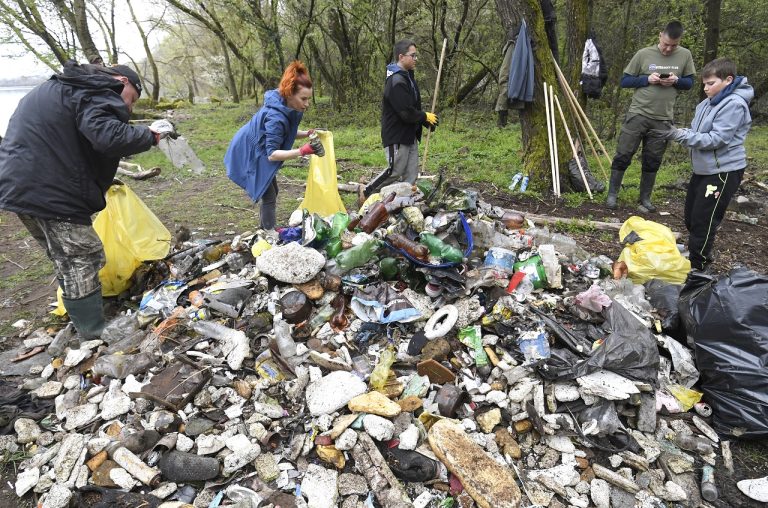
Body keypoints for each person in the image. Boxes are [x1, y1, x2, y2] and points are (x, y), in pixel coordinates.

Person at [0, 61, 174, 341]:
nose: (129, 108)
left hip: (18, 186)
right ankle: (92, 332)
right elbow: (108, 137)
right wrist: (150, 135)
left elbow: (71, 138)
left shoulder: (67, 87)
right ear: (122, 81)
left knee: (64, 256)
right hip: (50, 190)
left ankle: (81, 319)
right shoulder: (98, 89)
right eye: (131, 99)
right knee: (84, 255)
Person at [657, 58, 753, 271]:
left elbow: (717, 139)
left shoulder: (734, 105)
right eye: (704, 84)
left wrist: (679, 135)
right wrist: (676, 131)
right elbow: (697, 133)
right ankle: (698, 255)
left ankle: (698, 268)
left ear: (728, 80)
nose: (706, 88)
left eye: (711, 83)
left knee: (704, 220)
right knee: (691, 217)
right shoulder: (706, 104)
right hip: (703, 169)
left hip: (723, 171)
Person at [606, 20, 695, 212]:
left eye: (673, 46)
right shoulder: (643, 54)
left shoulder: (685, 55)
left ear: (679, 42)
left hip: (663, 118)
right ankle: (612, 195)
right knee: (623, 154)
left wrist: (676, 81)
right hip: (638, 113)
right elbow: (625, 81)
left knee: (653, 160)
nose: (668, 49)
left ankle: (645, 198)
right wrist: (646, 79)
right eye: (666, 44)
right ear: (660, 36)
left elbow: (690, 83)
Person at [225, 61, 322, 231]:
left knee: (272, 190)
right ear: (290, 94)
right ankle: (269, 233)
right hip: (248, 152)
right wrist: (302, 151)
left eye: (308, 99)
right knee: (269, 195)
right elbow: (272, 154)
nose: (307, 104)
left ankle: (264, 228)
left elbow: (287, 133)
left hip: (259, 148)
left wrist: (307, 133)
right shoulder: (276, 118)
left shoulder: (285, 106)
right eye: (303, 99)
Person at [378, 39, 439, 189]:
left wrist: (425, 121)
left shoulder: (408, 77)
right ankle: (366, 192)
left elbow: (412, 107)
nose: (415, 59)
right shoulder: (396, 80)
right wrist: (424, 116)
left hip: (409, 134)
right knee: (394, 171)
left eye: (416, 55)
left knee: (411, 175)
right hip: (397, 135)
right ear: (401, 57)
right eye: (413, 55)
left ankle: (404, 201)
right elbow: (405, 112)